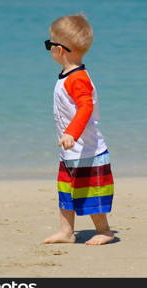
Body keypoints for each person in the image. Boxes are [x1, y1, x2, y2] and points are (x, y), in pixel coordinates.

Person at [42, 13, 115, 246]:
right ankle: (66, 231)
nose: (49, 49)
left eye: (49, 45)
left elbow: (85, 107)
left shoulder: (78, 78)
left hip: (88, 151)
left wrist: (72, 132)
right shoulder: (67, 76)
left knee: (92, 192)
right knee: (66, 191)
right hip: (71, 151)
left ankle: (105, 230)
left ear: (60, 50)